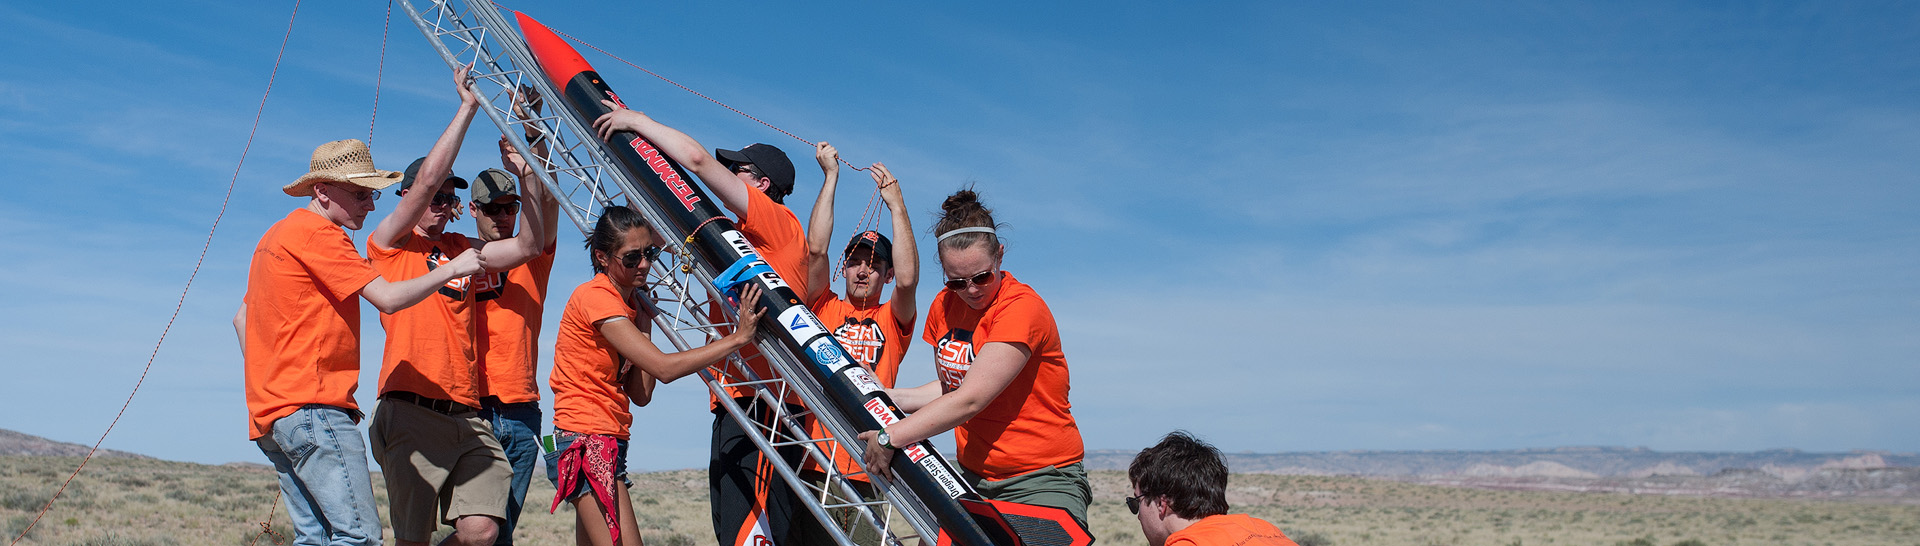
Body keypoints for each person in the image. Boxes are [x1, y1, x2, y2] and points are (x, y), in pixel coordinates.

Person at [236, 138, 483, 546]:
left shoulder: (275, 237)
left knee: (314, 538)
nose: (369, 205)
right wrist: (452, 268)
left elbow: (241, 319)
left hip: (274, 416)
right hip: (315, 410)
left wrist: (271, 385)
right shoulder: (320, 235)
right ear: (322, 190)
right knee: (359, 537)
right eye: (359, 193)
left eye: (372, 194)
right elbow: (386, 298)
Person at [591, 102, 811, 546]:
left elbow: (694, 162)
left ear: (762, 184)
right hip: (739, 403)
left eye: (739, 170)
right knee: (733, 532)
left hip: (768, 404)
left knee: (751, 536)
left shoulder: (777, 222)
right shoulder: (735, 240)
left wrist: (639, 123)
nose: (729, 175)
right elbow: (650, 232)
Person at [364, 66, 550, 546]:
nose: (445, 202)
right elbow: (425, 181)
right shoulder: (387, 244)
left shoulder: (461, 249)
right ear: (405, 198)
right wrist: (468, 106)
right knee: (412, 538)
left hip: (467, 412)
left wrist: (527, 167)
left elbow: (530, 245)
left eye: (453, 197)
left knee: (484, 530)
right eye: (438, 197)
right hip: (410, 406)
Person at [858, 188, 1091, 525]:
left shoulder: (1021, 308)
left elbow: (970, 399)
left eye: (982, 277)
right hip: (973, 478)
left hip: (1039, 479)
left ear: (999, 255)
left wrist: (890, 436)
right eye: (956, 282)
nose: (971, 290)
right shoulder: (943, 306)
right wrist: (886, 395)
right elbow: (951, 387)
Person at [545, 205, 767, 546]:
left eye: (649, 253)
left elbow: (642, 394)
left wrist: (644, 322)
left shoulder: (627, 307)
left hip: (606, 439)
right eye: (632, 257)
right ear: (602, 258)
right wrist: (737, 339)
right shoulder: (596, 298)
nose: (645, 264)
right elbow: (663, 369)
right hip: (587, 440)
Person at [792, 144, 919, 546]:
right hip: (814, 461)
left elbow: (908, 282)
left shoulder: (892, 318)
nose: (864, 270)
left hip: (869, 464)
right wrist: (830, 178)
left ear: (885, 273)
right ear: (844, 267)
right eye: (856, 261)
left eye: (875, 264)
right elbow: (815, 250)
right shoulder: (822, 305)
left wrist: (897, 206)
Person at [471, 128, 561, 546]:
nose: (503, 217)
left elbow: (549, 195)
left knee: (501, 532)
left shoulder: (535, 257)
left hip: (524, 412)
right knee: (477, 531)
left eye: (510, 208)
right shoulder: (459, 260)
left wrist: (532, 139)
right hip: (472, 409)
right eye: (493, 209)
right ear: (474, 210)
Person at [1128, 432, 1299, 546]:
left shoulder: (1189, 543)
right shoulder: (1266, 532)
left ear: (1161, 503)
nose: (1139, 516)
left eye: (1137, 502)